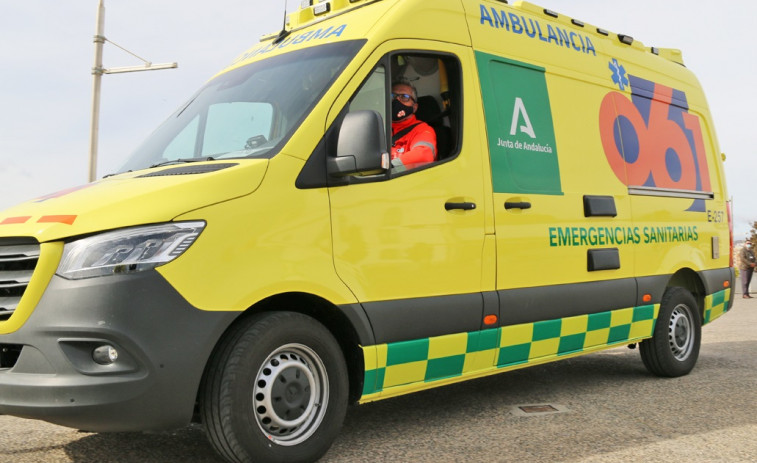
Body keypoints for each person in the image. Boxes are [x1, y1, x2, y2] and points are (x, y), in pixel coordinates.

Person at [389, 80, 437, 171]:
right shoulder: (380, 128)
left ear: (414, 107)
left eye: (404, 97)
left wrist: (388, 168)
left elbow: (424, 155)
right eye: (392, 96)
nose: (397, 100)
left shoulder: (423, 130)